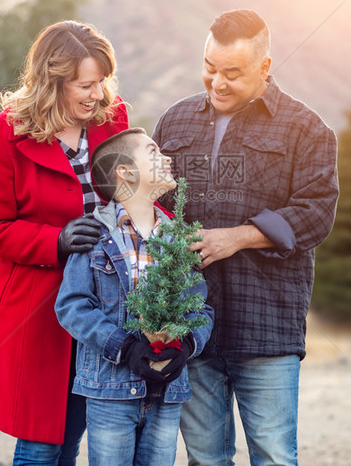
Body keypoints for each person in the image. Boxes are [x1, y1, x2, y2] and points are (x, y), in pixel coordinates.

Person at [152, 9, 339, 466]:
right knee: (205, 459)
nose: (217, 82)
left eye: (232, 73)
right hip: (191, 324)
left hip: (267, 324)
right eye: (210, 68)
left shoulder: (306, 129)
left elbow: (316, 214)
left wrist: (238, 237)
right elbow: (150, 206)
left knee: (274, 457)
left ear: (265, 67)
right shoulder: (173, 123)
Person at [0, 20, 129, 466]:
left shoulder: (113, 120)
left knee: (73, 434)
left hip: (99, 306)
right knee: (41, 444)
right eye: (85, 85)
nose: (97, 95)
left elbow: (129, 196)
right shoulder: (1, 135)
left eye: (102, 82)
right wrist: (55, 240)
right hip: (34, 311)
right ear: (51, 82)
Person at [55, 128, 214, 466]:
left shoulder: (177, 238)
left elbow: (201, 307)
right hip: (109, 391)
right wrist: (124, 347)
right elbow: (72, 306)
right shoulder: (95, 234)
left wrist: (186, 345)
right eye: (153, 152)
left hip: (167, 393)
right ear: (125, 172)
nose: (166, 157)